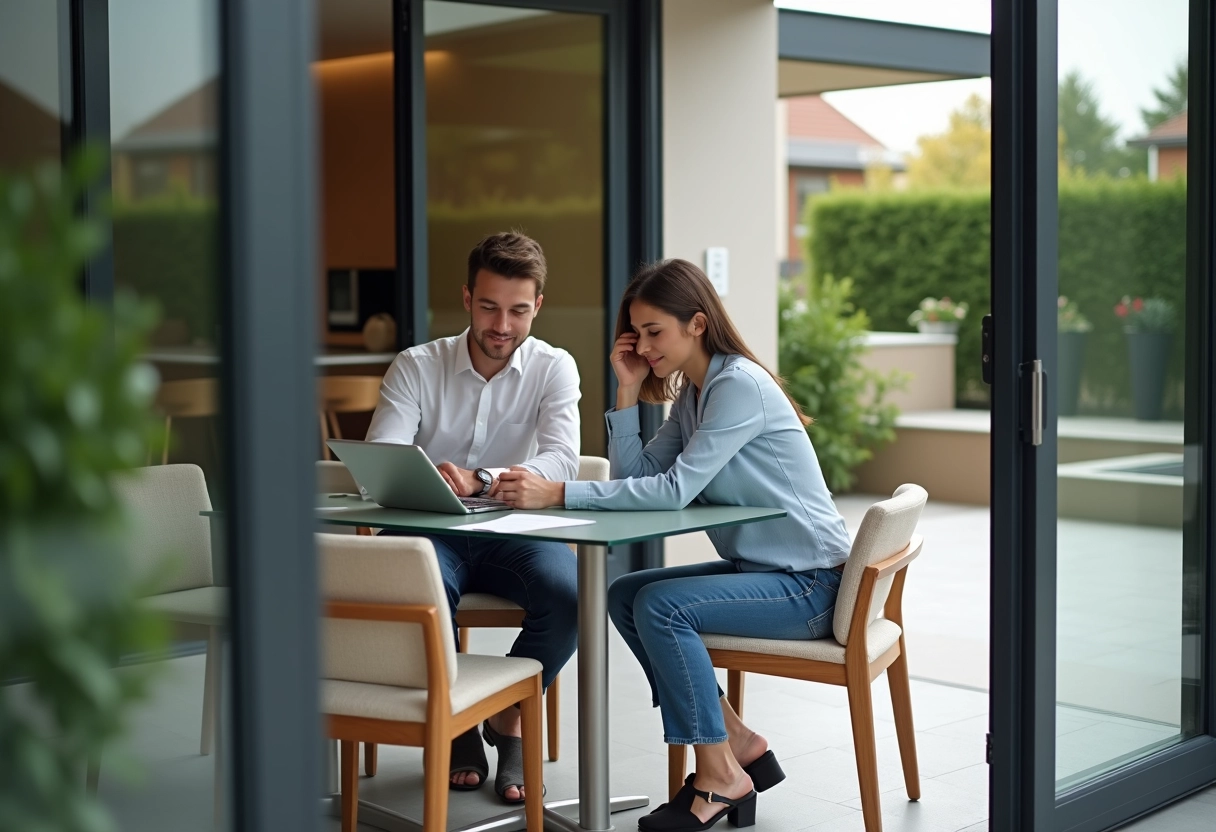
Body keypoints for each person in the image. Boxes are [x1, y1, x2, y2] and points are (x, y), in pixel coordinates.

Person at [492, 259, 852, 831]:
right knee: (625, 594)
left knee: (663, 607)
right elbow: (637, 477)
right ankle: (738, 741)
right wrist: (628, 392)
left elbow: (674, 491)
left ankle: (721, 773)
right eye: (637, 333)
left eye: (654, 332)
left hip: (812, 585)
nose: (643, 346)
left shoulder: (737, 386)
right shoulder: (695, 393)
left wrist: (558, 492)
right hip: (768, 572)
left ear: (697, 324)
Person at [365, 231, 581, 804]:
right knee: (416, 588)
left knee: (570, 594)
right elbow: (383, 457)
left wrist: (482, 479)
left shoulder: (554, 368)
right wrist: (424, 476)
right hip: (429, 529)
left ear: (538, 305)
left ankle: (508, 717)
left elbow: (563, 460)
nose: (502, 326)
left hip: (516, 532)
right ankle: (456, 718)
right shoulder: (417, 365)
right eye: (488, 307)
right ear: (466, 298)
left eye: (518, 310)